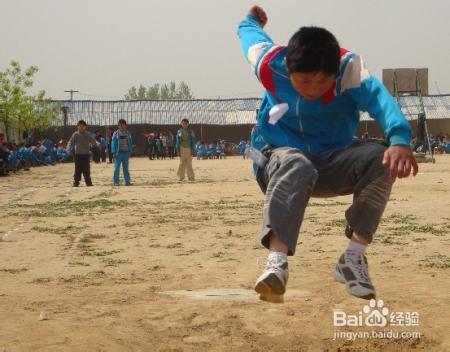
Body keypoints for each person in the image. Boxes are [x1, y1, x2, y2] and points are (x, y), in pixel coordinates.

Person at [238, 6, 418, 303]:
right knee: (296, 162)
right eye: (304, 81)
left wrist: (399, 138)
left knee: (380, 158)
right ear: (289, 70)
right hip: (278, 162)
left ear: (335, 73)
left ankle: (353, 258)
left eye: (323, 82)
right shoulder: (269, 63)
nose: (313, 89)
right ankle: (276, 264)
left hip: (331, 161)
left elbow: (379, 99)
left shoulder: (350, 71)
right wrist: (251, 20)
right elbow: (248, 35)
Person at [67, 120, 98, 187]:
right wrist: (69, 149)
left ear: (85, 127)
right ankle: (76, 182)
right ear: (77, 127)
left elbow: (93, 141)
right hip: (77, 155)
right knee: (77, 169)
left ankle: (88, 183)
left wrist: (97, 146)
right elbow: (70, 143)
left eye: (82, 126)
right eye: (79, 126)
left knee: (86, 169)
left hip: (86, 155)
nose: (81, 127)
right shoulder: (75, 134)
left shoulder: (88, 134)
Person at [111, 119, 133, 186]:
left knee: (125, 168)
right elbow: (113, 143)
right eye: (120, 125)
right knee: (116, 168)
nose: (122, 126)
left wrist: (130, 151)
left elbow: (130, 142)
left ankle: (127, 181)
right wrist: (114, 152)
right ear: (118, 126)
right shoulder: (115, 133)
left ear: (126, 125)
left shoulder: (128, 133)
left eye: (123, 125)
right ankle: (116, 182)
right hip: (118, 153)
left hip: (126, 153)